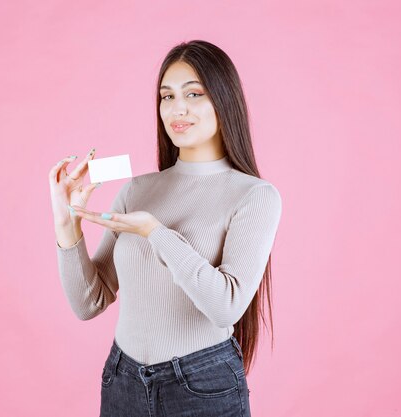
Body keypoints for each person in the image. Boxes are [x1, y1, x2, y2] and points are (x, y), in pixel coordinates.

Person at [48, 40, 282, 417]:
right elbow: (88, 303)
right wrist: (66, 221)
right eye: (167, 96)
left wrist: (156, 233)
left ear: (224, 100)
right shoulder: (138, 189)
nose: (178, 109)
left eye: (194, 94)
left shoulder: (255, 196)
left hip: (201, 385)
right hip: (122, 380)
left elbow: (227, 307)